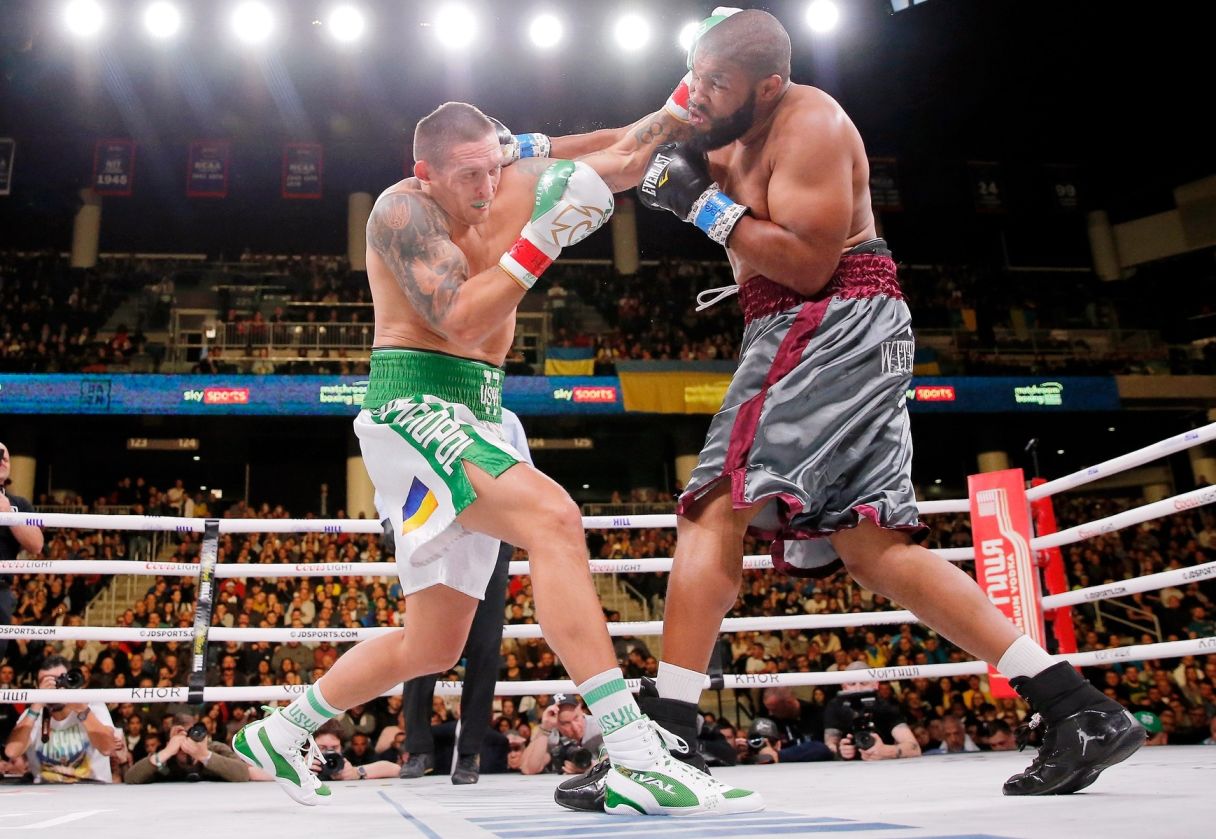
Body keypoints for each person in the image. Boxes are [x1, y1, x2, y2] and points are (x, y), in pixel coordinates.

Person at [542, 7, 1142, 803]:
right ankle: (1079, 708)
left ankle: (672, 739)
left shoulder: (810, 122)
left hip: (826, 311)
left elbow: (809, 264)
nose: (699, 96)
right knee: (869, 545)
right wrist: (520, 153)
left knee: (714, 504)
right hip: (825, 322)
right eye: (698, 78)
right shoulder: (716, 111)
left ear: (770, 84)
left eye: (717, 83)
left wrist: (704, 207)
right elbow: (624, 149)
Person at [234, 101, 759, 816]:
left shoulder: (514, 177)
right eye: (466, 175)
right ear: (426, 172)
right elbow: (457, 315)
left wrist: (686, 99)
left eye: (492, 169)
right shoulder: (402, 212)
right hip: (413, 401)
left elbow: (627, 156)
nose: (484, 187)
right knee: (554, 519)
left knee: (434, 642)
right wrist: (543, 238)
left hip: (480, 409)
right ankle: (634, 752)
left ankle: (281, 728)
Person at [398, 407, 533, 785]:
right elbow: (396, 470)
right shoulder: (421, 413)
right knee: (422, 643)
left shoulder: (507, 420)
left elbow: (527, 478)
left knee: (485, 648)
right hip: (430, 533)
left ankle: (470, 754)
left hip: (490, 538)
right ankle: (419, 749)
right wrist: (388, 519)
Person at [4, 655, 121, 783]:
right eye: (46, 682)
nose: (54, 686)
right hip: (46, 792)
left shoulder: (92, 705)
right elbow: (11, 752)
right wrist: (37, 704)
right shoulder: (34, 714)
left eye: (58, 680)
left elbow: (108, 748)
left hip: (91, 789)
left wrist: (82, 711)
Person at [0, 440, 45, 666]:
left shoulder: (18, 503)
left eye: (5, 456)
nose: (2, 459)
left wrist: (8, 513)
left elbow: (36, 544)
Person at [823, 664, 921, 761]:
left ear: (875, 684)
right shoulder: (835, 706)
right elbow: (829, 745)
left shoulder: (885, 707)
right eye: (852, 684)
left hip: (884, 766)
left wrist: (886, 751)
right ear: (844, 686)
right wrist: (841, 751)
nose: (858, 689)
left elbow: (914, 748)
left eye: (864, 683)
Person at [125, 712, 250, 784]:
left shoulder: (214, 748)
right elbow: (130, 778)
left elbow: (243, 774)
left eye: (191, 733)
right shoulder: (164, 757)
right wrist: (167, 752)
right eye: (182, 734)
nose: (187, 740)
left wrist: (204, 756)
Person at [519, 693, 604, 776]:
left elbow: (615, 760)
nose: (575, 727)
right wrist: (545, 729)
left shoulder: (599, 726)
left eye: (576, 717)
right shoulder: (548, 734)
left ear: (581, 709)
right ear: (556, 723)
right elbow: (528, 769)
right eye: (565, 723)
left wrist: (590, 767)